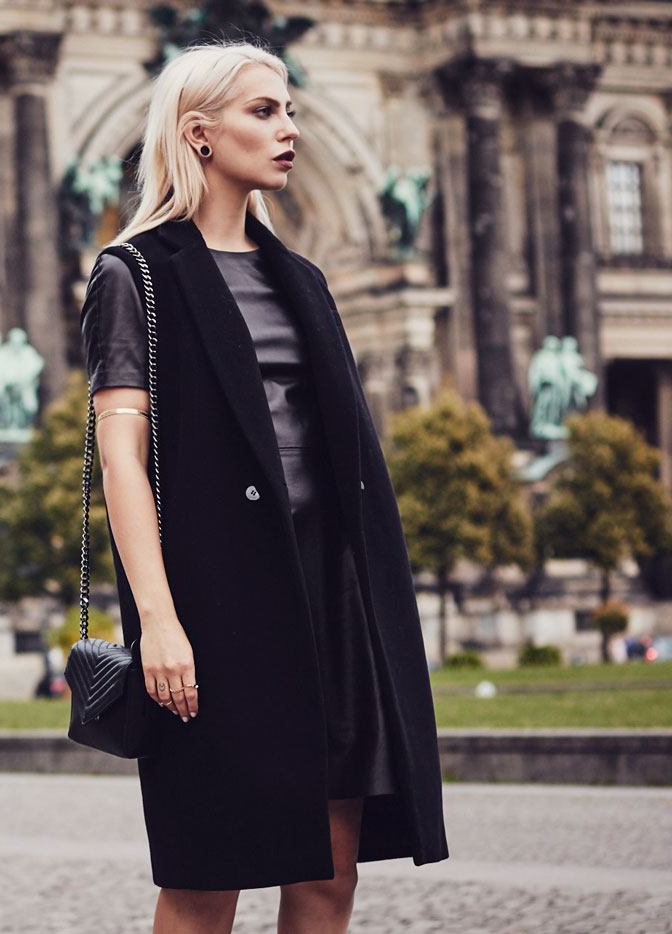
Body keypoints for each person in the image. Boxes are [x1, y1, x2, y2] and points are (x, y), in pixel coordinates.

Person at [78, 41, 448, 932]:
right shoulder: (136, 276)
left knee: (329, 868)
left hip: (334, 591)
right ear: (199, 135)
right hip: (215, 603)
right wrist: (159, 618)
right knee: (211, 874)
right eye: (265, 112)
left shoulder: (304, 279)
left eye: (289, 110)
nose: (291, 130)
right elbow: (120, 457)